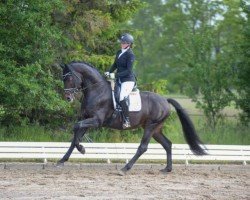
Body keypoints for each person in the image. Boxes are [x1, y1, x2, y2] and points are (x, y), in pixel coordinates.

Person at [105, 33, 136, 129]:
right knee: (114, 95)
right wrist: (109, 71)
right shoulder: (119, 52)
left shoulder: (130, 55)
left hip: (128, 80)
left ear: (129, 44)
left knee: (122, 97)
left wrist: (115, 75)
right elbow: (115, 64)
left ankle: (127, 120)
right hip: (119, 79)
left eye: (124, 43)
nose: (122, 44)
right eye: (122, 42)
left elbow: (128, 70)